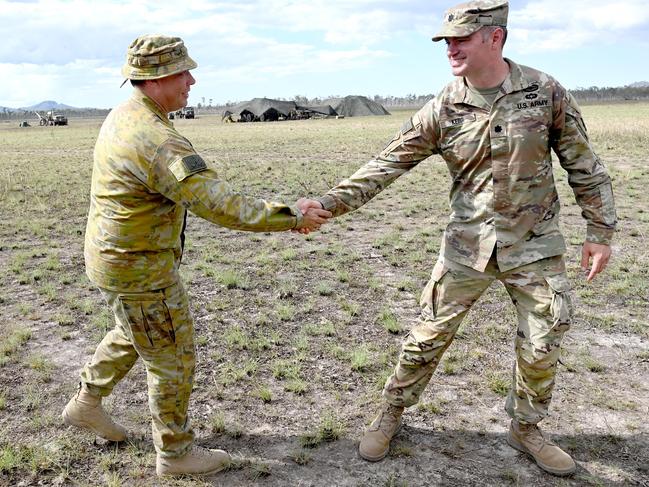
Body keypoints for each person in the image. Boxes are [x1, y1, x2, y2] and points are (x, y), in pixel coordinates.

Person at [306, 0, 616, 476]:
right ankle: (391, 412)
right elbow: (389, 162)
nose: (450, 48)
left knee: (544, 337)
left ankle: (526, 427)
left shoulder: (544, 91)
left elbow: (583, 163)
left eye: (461, 38)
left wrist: (599, 230)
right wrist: (328, 204)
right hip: (467, 247)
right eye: (446, 40)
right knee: (427, 336)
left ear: (495, 38)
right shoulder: (445, 105)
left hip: (535, 246)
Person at [61, 34, 331, 478]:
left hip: (118, 260)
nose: (191, 80)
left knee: (136, 332)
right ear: (155, 79)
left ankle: (85, 403)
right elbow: (221, 205)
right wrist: (293, 216)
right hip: (140, 267)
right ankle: (175, 453)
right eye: (182, 72)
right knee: (172, 356)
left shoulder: (125, 115)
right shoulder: (157, 139)